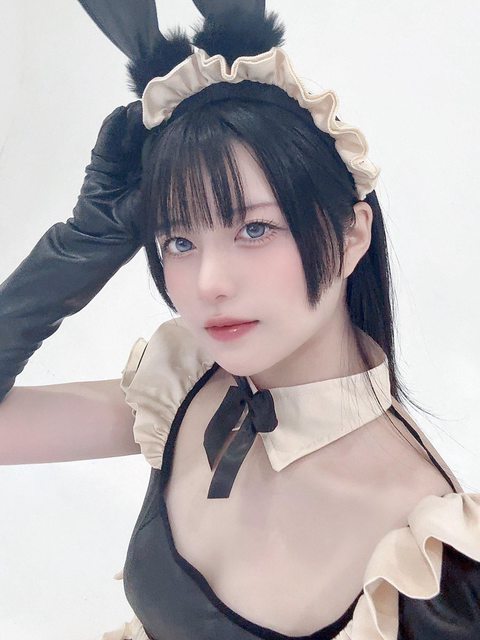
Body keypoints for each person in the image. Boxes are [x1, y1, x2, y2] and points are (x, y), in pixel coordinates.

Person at [1, 1, 479, 639]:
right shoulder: (188, 395)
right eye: (178, 241)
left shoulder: (423, 557)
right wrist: (81, 246)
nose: (208, 283)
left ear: (351, 234)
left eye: (255, 229)